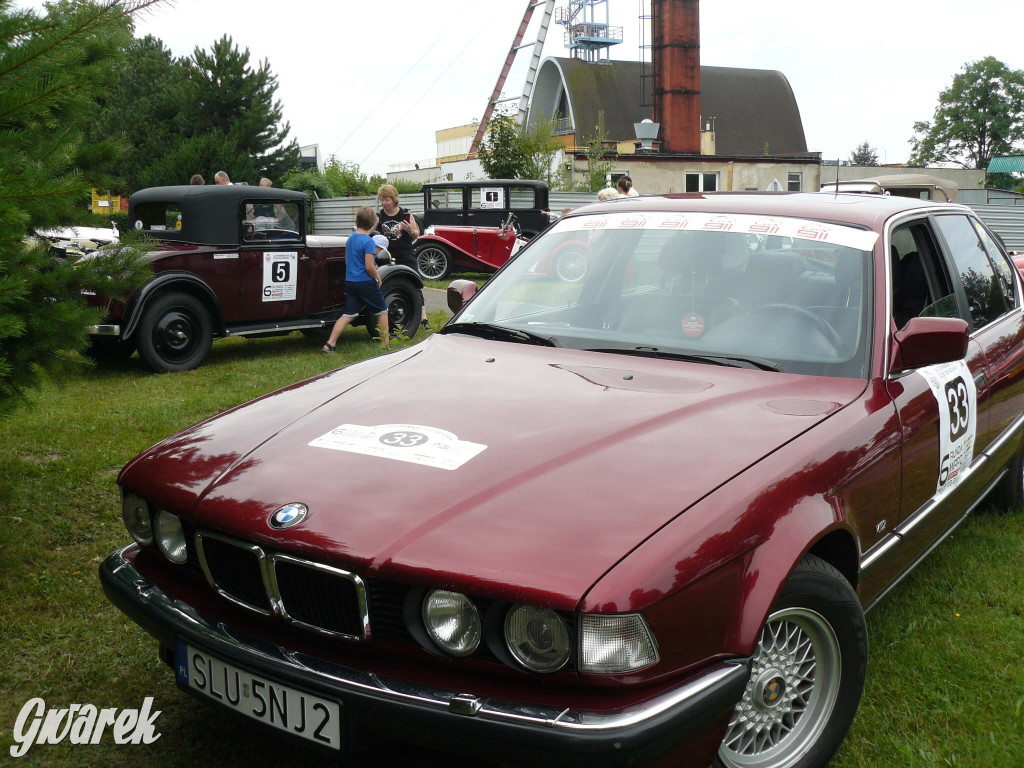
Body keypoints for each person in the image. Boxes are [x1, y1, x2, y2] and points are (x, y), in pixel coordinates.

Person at [322, 206, 389, 351]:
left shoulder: (351, 238)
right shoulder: (369, 242)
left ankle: (330, 344)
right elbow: (369, 267)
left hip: (351, 282)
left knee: (349, 314)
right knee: (382, 310)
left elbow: (348, 260)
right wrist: (378, 278)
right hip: (365, 282)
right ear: (372, 223)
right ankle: (385, 344)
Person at [377, 184, 427, 328]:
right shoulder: (380, 215)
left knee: (414, 285)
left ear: (394, 199)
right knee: (385, 284)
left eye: (386, 200)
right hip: (386, 255)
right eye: (382, 199)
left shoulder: (405, 214)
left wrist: (410, 229)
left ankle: (423, 319)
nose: (384, 203)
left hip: (406, 254)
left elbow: (416, 234)